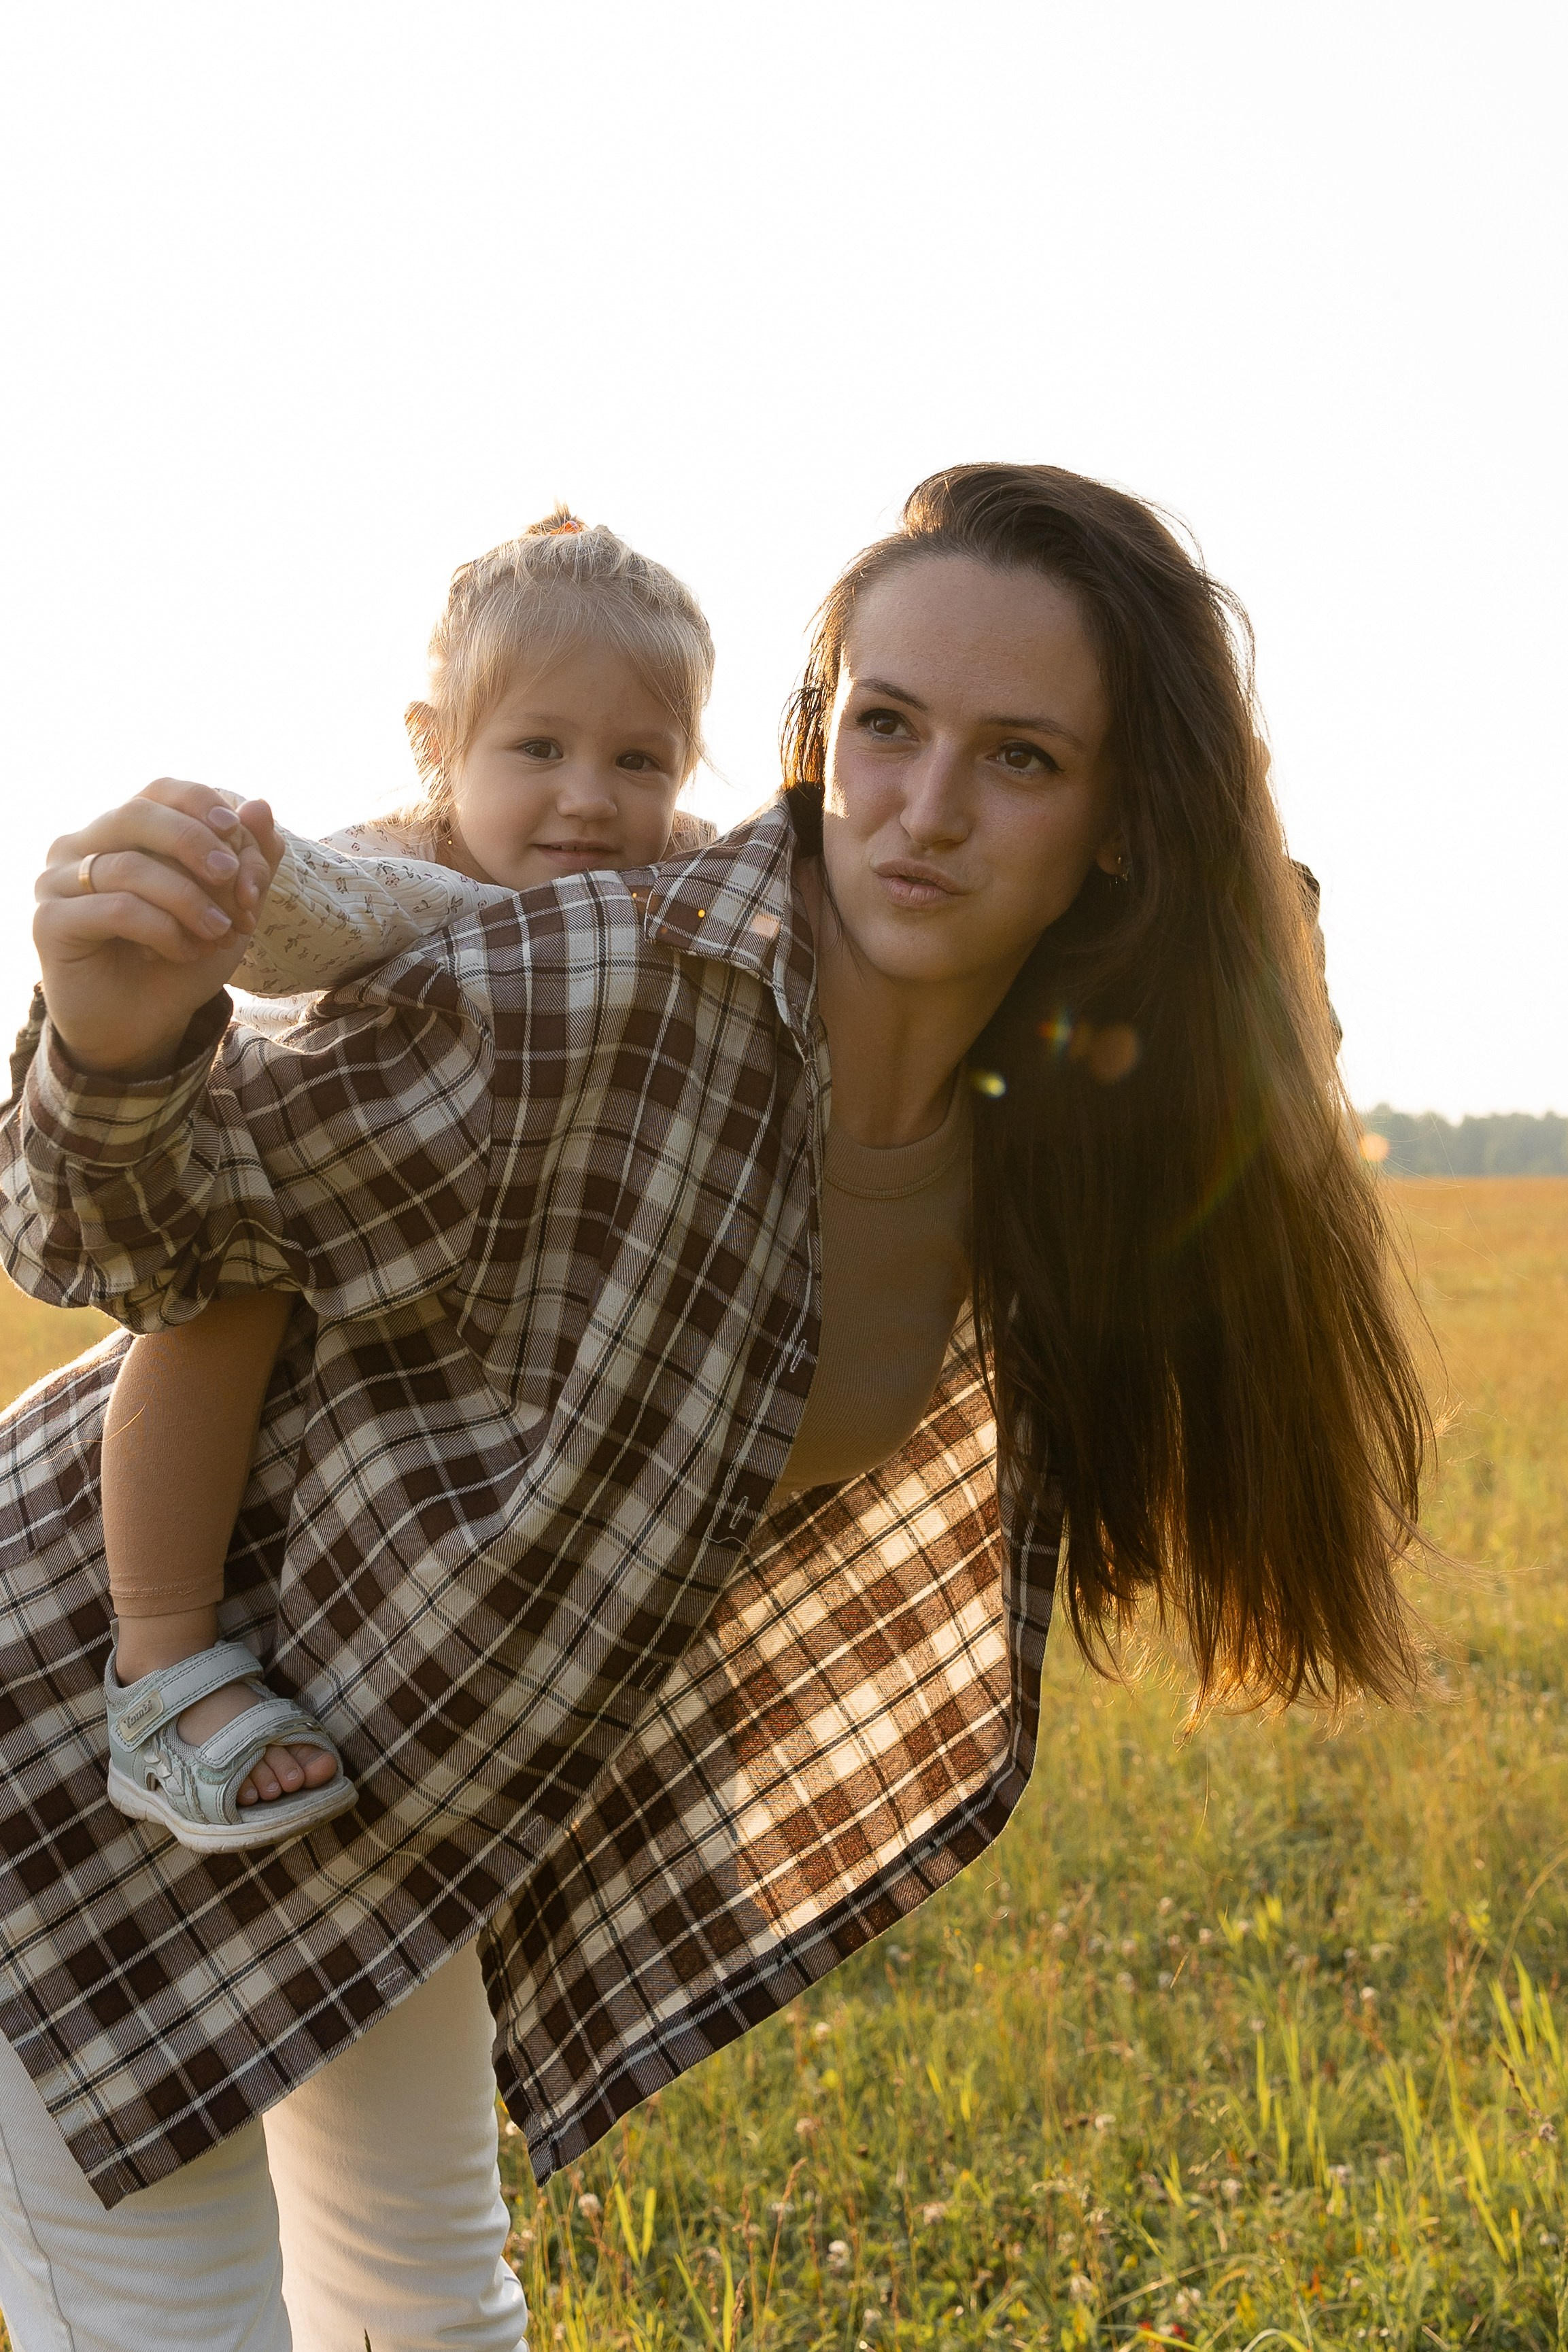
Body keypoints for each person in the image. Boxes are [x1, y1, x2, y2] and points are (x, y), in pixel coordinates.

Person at [0, 463, 1429, 2352]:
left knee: (425, 2291)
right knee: (172, 2304)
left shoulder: (1041, 1142)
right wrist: (113, 1026)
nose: (920, 812)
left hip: (384, 1778)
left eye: (1017, 760)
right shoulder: (589, 981)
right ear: (815, 730)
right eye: (887, 727)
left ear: (1118, 824)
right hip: (90, 1697)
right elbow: (141, 1230)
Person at [90, 505, 718, 1847]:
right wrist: (235, 871)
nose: (590, 794)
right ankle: (158, 1660)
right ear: (439, 748)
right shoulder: (403, 861)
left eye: (637, 756)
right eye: (539, 747)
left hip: (494, 1213)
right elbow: (293, 919)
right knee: (226, 1291)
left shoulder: (667, 867)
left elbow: (767, 891)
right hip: (324, 1147)